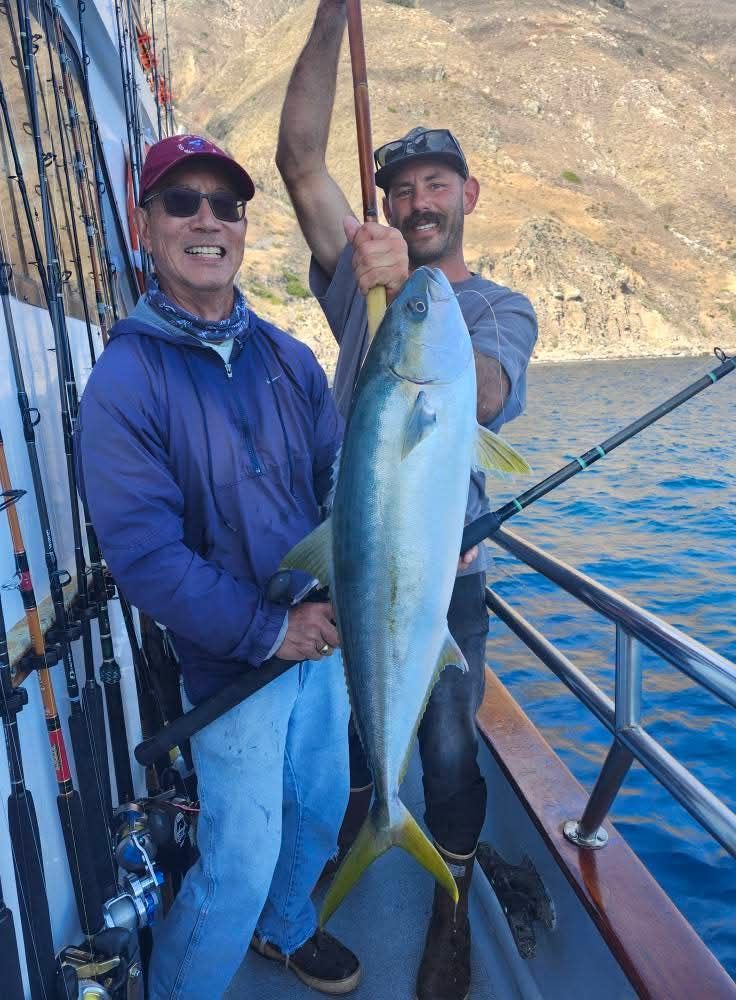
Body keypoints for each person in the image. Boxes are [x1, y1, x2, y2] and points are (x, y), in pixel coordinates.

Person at [276, 4, 539, 998]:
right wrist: (327, 19)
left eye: (434, 183)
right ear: (382, 203)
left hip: (442, 576)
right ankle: (336, 866)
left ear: (465, 193)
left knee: (450, 750)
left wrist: (419, 302)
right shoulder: (363, 290)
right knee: (334, 747)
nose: (417, 200)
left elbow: (483, 392)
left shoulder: (494, 308)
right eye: (399, 188)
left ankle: (450, 909)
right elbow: (300, 157)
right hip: (349, 559)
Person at [75, 134, 362, 998]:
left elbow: (337, 484)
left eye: (226, 205)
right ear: (146, 226)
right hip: (230, 662)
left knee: (319, 808)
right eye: (181, 202)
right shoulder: (124, 381)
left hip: (327, 641)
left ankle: (285, 930)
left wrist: (378, 562)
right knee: (240, 857)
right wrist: (271, 629)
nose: (207, 220)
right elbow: (148, 561)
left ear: (243, 226)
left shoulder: (289, 358)